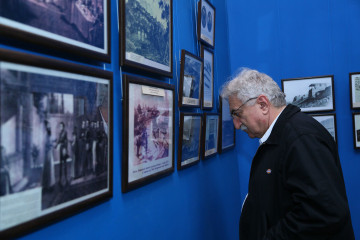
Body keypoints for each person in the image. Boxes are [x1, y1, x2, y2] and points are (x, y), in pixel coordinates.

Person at [220, 68, 355, 240]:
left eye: (237, 114)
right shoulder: (284, 134)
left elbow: (324, 213)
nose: (237, 125)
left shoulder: (301, 138)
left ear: (263, 104)